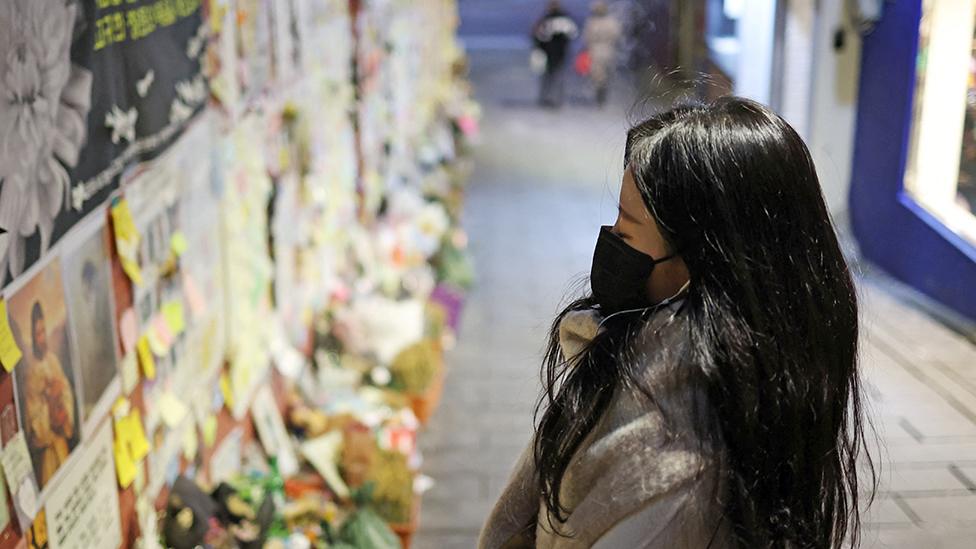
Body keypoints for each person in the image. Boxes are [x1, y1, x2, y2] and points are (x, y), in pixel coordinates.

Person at [479, 97, 875, 548]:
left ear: (704, 261)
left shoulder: (673, 480)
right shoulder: (736, 387)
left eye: (626, 229)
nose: (611, 240)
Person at [23, 301, 75, 486]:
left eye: (43, 331)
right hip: (48, 457)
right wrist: (51, 401)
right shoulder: (31, 374)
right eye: (38, 333)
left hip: (62, 446)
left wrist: (63, 410)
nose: (42, 338)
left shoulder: (53, 361)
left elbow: (66, 391)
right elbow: (34, 424)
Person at [533, 1, 578, 108]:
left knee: (549, 77)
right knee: (558, 77)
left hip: (550, 53)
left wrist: (540, 47)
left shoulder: (546, 19)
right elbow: (573, 34)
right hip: (561, 53)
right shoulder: (566, 19)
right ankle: (557, 99)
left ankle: (547, 99)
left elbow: (539, 36)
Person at [582, 1, 621, 106]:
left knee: (603, 76)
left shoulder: (608, 21)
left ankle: (601, 96)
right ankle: (599, 97)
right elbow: (587, 37)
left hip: (605, 50)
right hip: (598, 51)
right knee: (598, 76)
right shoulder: (594, 22)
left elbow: (616, 36)